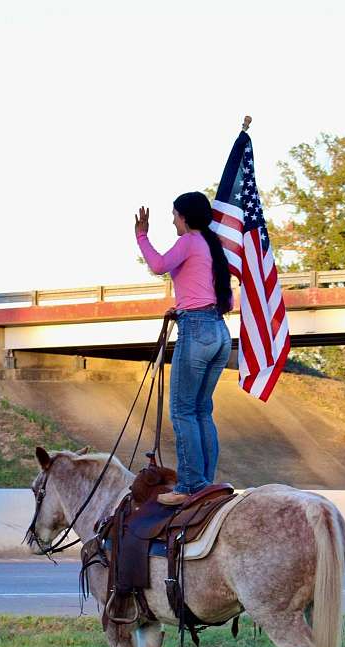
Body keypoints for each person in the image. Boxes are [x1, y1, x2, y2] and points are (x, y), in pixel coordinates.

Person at [134, 191, 233, 505]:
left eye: (174, 215)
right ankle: (206, 481)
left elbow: (159, 265)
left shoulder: (190, 241)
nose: (173, 220)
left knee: (183, 412)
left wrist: (142, 236)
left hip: (197, 330)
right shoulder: (211, 246)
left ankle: (190, 484)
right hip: (219, 330)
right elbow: (224, 300)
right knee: (202, 410)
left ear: (185, 217)